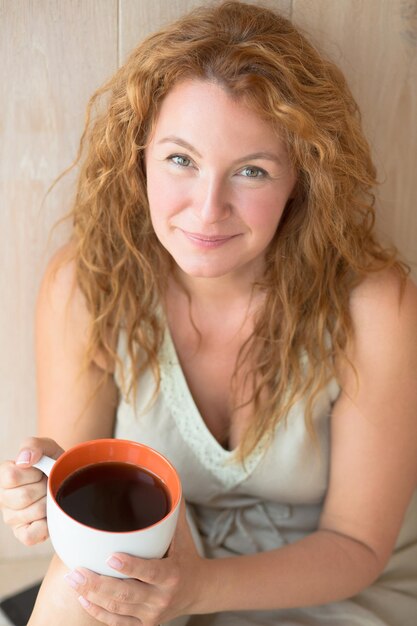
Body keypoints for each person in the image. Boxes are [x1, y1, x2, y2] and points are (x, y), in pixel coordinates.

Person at [1, 1, 417, 624]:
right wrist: (41, 496)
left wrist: (198, 590)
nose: (206, 210)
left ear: (302, 181)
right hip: (158, 574)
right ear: (138, 154)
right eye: (180, 160)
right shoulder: (88, 284)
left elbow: (357, 546)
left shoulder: (373, 304)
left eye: (251, 171)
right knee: (76, 586)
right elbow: (86, 520)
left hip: (330, 589)